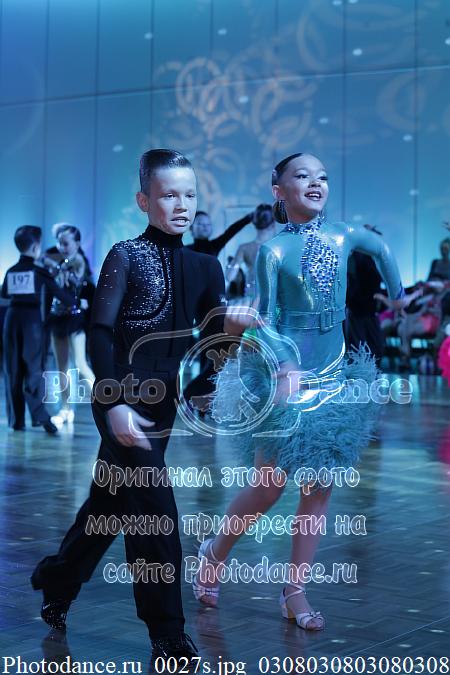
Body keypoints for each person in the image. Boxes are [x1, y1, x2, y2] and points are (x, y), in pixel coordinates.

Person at [30, 149, 244, 665]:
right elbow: (99, 334)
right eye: (169, 195)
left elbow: (214, 343)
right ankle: (167, 632)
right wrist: (115, 402)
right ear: (144, 200)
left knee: (108, 506)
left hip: (162, 404)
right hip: (121, 397)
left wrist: (218, 366)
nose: (182, 205)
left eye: (189, 194)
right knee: (155, 512)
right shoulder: (124, 255)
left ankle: (58, 579)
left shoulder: (206, 266)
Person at [193, 153, 406, 631]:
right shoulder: (272, 251)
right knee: (268, 487)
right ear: (279, 190)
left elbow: (380, 247)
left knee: (319, 488)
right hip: (283, 377)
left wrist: (398, 292)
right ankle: (215, 551)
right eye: (302, 175)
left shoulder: (345, 235)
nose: (316, 182)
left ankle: (294, 591)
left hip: (333, 377)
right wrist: (286, 366)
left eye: (322, 176)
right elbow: (264, 320)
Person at [1, 226, 75, 434]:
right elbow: (61, 295)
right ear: (35, 246)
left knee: (13, 369)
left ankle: (17, 421)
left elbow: (4, 293)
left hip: (11, 319)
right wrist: (77, 301)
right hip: (31, 322)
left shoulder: (11, 270)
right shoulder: (38, 271)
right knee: (34, 369)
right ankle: (41, 417)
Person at [43, 224, 95, 424]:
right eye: (59, 243)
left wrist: (54, 266)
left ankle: (107, 405)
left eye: (66, 243)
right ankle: (65, 410)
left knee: (81, 364)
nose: (61, 247)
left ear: (77, 243)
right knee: (61, 367)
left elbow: (76, 281)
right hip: (57, 318)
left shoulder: (78, 261)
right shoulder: (58, 260)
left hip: (74, 319)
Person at [345, 224, 384, 363]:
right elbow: (351, 283)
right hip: (358, 309)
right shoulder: (356, 257)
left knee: (373, 347)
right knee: (360, 348)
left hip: (368, 309)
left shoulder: (371, 258)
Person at [226, 204, 277, 299]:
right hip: (274, 297)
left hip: (252, 297)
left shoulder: (244, 248)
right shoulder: (278, 248)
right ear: (273, 224)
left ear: (254, 223)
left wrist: (234, 263)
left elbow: (229, 276)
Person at [187, 209, 253, 256]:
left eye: (208, 224)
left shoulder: (214, 246)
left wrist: (248, 218)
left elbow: (231, 231)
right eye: (200, 223)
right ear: (191, 227)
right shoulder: (185, 250)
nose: (205, 226)